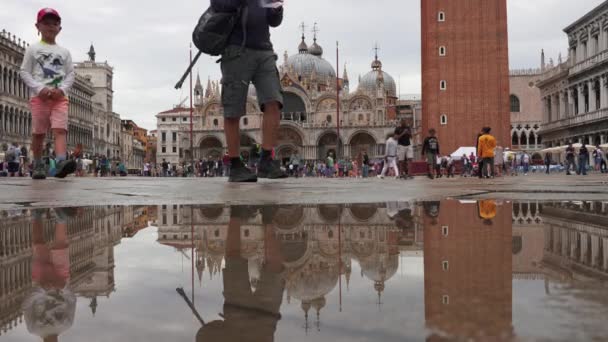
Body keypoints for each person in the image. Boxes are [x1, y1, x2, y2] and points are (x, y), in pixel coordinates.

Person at [211, 0, 286, 182]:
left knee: (274, 101)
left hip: (264, 50)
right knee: (233, 108)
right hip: (236, 49)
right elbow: (218, 5)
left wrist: (277, 8)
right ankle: (235, 165)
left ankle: (266, 160)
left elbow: (274, 21)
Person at [20, 8, 77, 180]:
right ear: (38, 26)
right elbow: (24, 71)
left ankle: (60, 162)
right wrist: (39, 89)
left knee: (60, 129)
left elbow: (70, 74)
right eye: (46, 23)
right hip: (40, 97)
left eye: (55, 23)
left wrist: (62, 90)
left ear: (60, 28)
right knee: (39, 132)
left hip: (60, 98)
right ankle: (37, 164)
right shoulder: (33, 49)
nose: (51, 26)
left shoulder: (65, 52)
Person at [23, 208, 77, 342]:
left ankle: (37, 215)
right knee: (60, 247)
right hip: (60, 281)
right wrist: (63, 287)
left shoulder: (33, 329)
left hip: (41, 281)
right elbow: (72, 300)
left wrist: (41, 289)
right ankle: (61, 219)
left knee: (38, 244)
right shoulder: (67, 324)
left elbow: (26, 305)